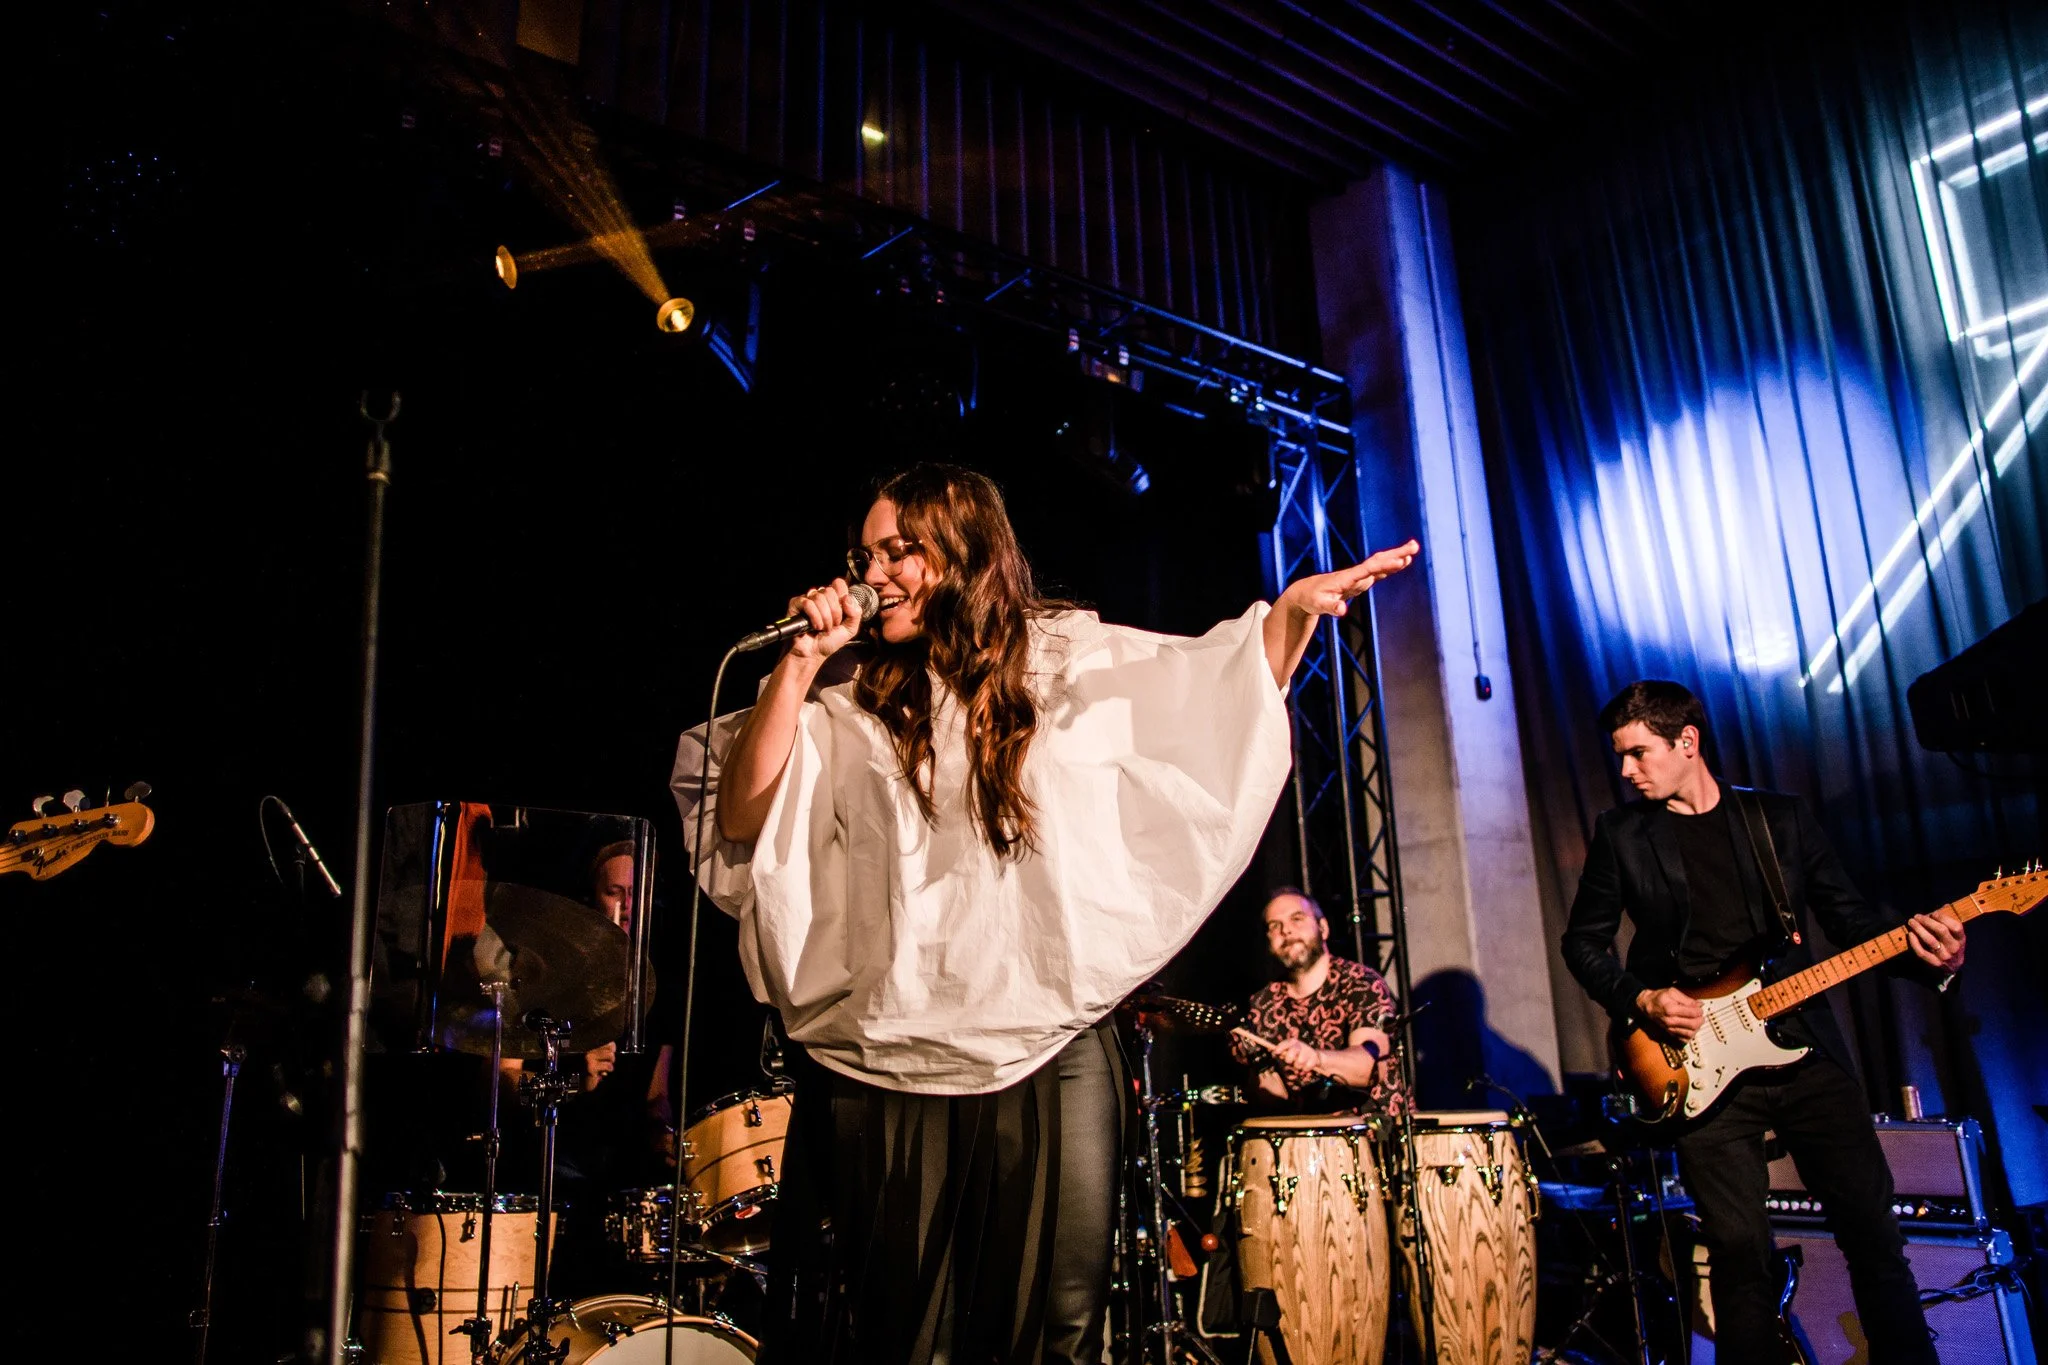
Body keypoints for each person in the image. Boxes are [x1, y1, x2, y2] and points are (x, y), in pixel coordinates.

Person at [673, 464, 1416, 1364]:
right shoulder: (848, 705)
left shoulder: (1061, 659)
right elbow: (744, 817)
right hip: (887, 1056)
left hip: (1046, 1044)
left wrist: (1290, 613)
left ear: (968, 550)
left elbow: (1195, 698)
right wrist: (799, 662)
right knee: (911, 1339)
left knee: (1054, 1331)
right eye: (863, 554)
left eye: (899, 551)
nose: (873, 573)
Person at [1560, 680, 1966, 1365]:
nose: (1625, 770)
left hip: (1801, 1045)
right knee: (1739, 1252)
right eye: (1621, 757)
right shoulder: (1623, 833)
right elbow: (1582, 942)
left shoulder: (1779, 819)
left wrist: (1933, 958)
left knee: (1872, 1233)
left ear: (1686, 741)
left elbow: (1852, 922)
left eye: (1636, 753)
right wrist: (1642, 999)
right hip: (1694, 1060)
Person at [1230, 888, 1409, 1116]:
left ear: (1323, 928)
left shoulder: (1360, 983)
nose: (1286, 930)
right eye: (1275, 925)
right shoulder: (1263, 1004)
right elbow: (1274, 1101)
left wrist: (1316, 1058)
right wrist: (1260, 1074)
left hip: (1374, 1137)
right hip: (1306, 1145)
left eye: (1297, 918)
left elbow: (1369, 1068)